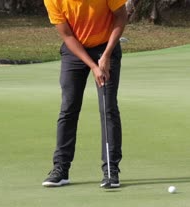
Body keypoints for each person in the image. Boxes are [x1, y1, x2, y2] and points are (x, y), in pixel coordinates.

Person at [42, 0, 127, 188]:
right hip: (75, 51)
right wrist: (93, 66)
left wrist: (105, 56)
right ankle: (61, 169)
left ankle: (111, 170)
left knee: (108, 107)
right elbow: (67, 35)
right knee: (68, 108)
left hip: (106, 47)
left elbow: (121, 16)